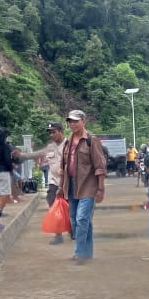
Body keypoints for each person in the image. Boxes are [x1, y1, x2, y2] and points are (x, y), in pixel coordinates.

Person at [58, 109, 106, 264]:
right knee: (76, 219)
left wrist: (100, 188)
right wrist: (60, 186)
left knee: (81, 218)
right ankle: (87, 252)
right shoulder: (68, 141)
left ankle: (79, 253)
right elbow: (63, 166)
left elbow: (100, 166)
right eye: (70, 121)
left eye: (76, 121)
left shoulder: (92, 140)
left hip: (88, 185)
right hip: (71, 185)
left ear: (84, 121)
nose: (72, 124)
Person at [20, 122, 67, 244]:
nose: (51, 134)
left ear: (61, 131)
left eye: (54, 132)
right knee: (53, 207)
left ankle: (73, 230)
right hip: (53, 182)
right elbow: (37, 154)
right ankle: (58, 235)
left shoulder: (69, 145)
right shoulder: (50, 146)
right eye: (50, 132)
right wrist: (21, 155)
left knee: (69, 209)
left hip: (68, 182)